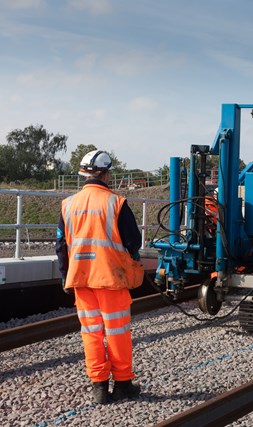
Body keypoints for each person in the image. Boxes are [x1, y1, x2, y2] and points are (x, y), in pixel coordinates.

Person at [55, 150, 144, 404]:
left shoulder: (68, 204)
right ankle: (123, 384)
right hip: (110, 278)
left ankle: (99, 388)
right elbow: (133, 242)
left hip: (80, 279)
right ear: (106, 174)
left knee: (91, 332)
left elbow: (60, 245)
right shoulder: (116, 202)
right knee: (117, 331)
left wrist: (65, 276)